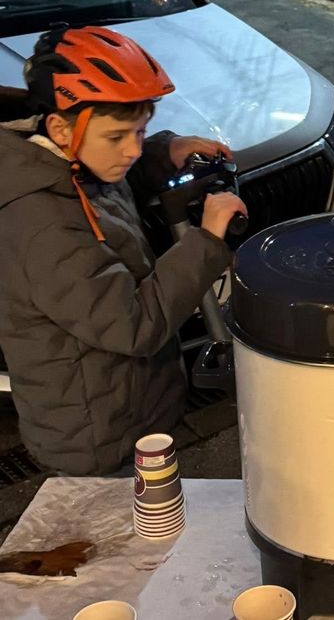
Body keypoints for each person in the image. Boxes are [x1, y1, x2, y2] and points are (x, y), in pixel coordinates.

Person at [0, 26, 247, 476]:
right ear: (59, 127)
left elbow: (115, 180)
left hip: (130, 408)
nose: (130, 150)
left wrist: (165, 150)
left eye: (141, 131)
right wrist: (207, 242)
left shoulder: (72, 165)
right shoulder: (41, 223)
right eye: (118, 137)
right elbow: (132, 325)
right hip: (96, 440)